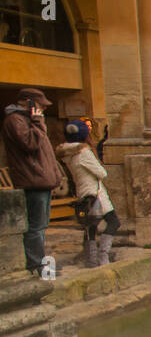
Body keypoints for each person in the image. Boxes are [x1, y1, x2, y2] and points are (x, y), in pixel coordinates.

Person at [2, 88, 60, 274]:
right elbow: (30, 144)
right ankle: (37, 265)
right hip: (32, 180)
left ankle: (40, 264)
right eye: (40, 105)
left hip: (41, 180)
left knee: (40, 226)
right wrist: (38, 121)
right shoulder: (15, 120)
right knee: (36, 227)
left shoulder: (28, 121)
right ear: (29, 103)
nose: (43, 109)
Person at [58, 119, 119, 268]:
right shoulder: (83, 152)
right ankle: (103, 255)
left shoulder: (66, 154)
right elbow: (102, 173)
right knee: (114, 222)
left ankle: (91, 260)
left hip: (82, 192)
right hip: (95, 193)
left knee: (90, 226)